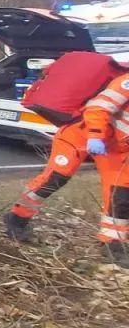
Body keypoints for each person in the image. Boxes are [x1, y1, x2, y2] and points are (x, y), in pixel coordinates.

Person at [7, 66, 129, 263]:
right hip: (80, 134)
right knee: (56, 177)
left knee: (121, 196)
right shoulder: (126, 83)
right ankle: (17, 216)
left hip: (116, 150)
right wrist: (96, 135)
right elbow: (98, 107)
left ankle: (113, 243)